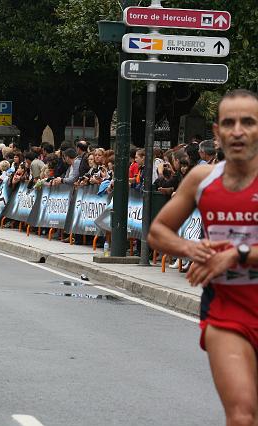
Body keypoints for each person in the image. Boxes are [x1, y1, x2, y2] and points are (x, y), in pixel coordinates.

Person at [148, 89, 258, 426]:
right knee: (241, 415)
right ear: (217, 132)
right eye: (229, 123)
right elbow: (158, 231)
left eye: (248, 122)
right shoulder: (202, 178)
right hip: (227, 309)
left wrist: (237, 256)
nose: (237, 130)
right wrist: (189, 248)